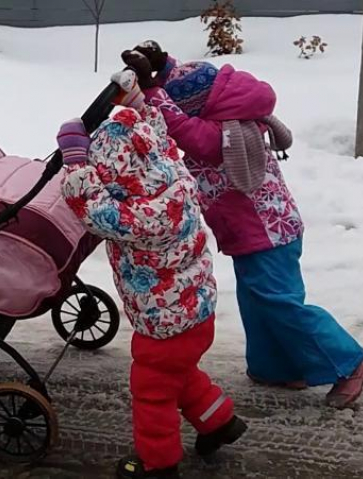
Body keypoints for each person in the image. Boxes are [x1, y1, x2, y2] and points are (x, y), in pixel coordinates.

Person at [114, 41, 363, 409]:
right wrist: (162, 67)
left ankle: (351, 363)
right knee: (256, 302)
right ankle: (275, 367)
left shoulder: (230, 132)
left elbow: (187, 132)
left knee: (279, 303)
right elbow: (186, 104)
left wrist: (153, 93)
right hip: (248, 234)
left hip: (268, 234)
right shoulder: (223, 111)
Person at [57, 98, 245, 478]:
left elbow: (93, 207)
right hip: (197, 312)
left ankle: (157, 464)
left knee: (152, 392)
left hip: (163, 327)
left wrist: (76, 162)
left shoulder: (139, 216)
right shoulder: (172, 176)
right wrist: (139, 104)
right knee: (179, 375)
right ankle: (220, 422)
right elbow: (159, 139)